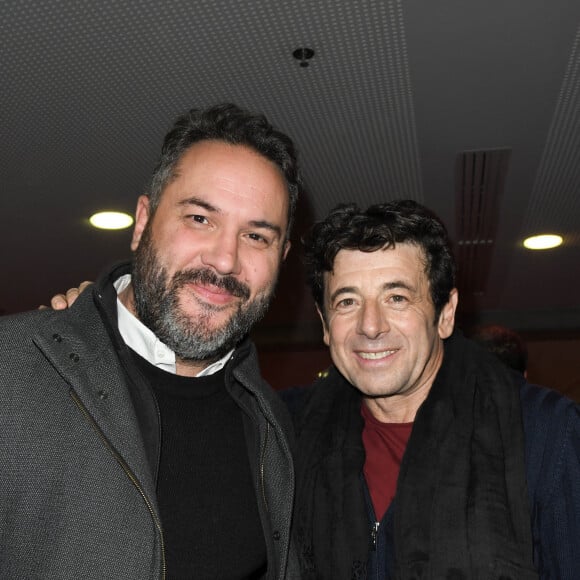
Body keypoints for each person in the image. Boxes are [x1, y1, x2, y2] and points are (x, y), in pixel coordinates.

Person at [0, 104, 302, 580]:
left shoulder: (273, 425)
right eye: (201, 218)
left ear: (281, 258)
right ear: (143, 221)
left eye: (257, 236)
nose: (225, 260)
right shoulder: (12, 370)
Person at [292, 200, 580, 579]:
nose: (370, 325)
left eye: (397, 297)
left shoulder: (546, 433)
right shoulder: (286, 434)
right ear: (325, 324)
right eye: (347, 301)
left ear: (445, 314)